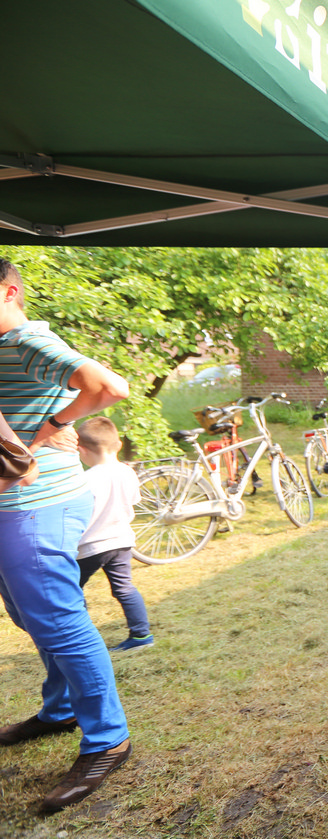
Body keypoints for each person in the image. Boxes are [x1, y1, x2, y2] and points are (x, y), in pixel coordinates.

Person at [0, 257, 134, 811]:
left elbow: (109, 386)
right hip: (18, 505)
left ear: (9, 291)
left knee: (58, 621)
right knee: (31, 617)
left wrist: (53, 426)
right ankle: (60, 711)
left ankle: (108, 739)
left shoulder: (25, 342)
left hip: (37, 506)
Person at [76, 416, 154, 654]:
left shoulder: (85, 479)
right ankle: (141, 635)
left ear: (81, 450)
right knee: (124, 588)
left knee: (72, 590)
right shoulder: (127, 472)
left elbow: (78, 514)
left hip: (90, 546)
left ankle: (83, 639)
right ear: (118, 445)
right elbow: (133, 500)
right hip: (121, 541)